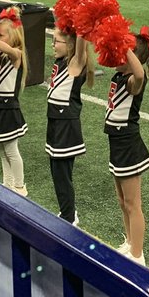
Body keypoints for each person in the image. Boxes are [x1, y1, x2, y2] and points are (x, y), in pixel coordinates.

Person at [106, 27, 149, 266]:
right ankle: (129, 242)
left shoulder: (133, 81)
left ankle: (138, 255)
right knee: (121, 200)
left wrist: (123, 46)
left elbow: (139, 73)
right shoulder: (118, 77)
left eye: (118, 54)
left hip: (128, 143)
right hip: (116, 143)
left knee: (133, 203)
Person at [46, 27, 93, 223]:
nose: (52, 45)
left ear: (71, 45)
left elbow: (82, 45)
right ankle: (66, 212)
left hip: (66, 126)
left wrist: (82, 24)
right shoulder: (61, 62)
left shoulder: (76, 63)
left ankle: (69, 216)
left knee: (62, 175)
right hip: (55, 123)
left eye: (57, 41)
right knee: (57, 173)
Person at [0, 9, 28, 194]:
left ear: (13, 37)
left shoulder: (16, 54)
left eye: (1, 35)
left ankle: (20, 187)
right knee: (2, 150)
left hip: (7, 108)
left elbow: (8, 50)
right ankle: (7, 184)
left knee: (11, 150)